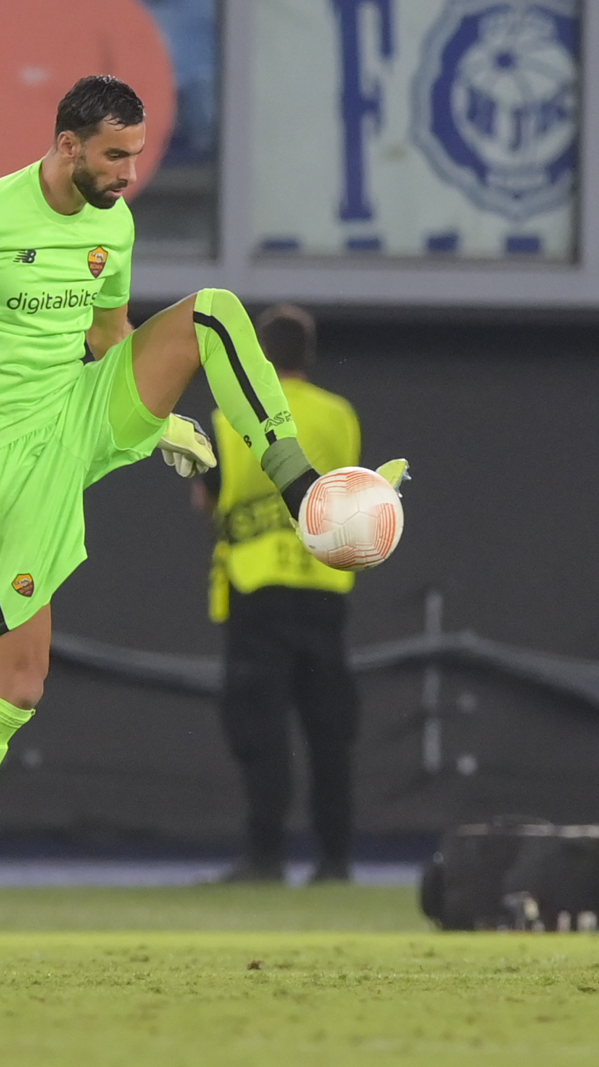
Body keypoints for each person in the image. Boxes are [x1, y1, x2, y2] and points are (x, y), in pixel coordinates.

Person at [0, 76, 403, 968]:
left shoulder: (113, 223)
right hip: (1, 459)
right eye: (116, 155)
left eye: (138, 154)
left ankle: (301, 483)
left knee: (213, 311)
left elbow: (110, 337)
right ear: (67, 144)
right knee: (18, 687)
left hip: (78, 411)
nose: (130, 172)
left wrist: (160, 423)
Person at [193, 305, 379, 884]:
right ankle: (335, 860)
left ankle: (265, 856)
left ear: (260, 358)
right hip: (325, 587)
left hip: (256, 587)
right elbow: (355, 492)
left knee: (260, 729)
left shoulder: (232, 416)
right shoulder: (340, 416)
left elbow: (207, 497)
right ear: (308, 356)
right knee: (329, 732)